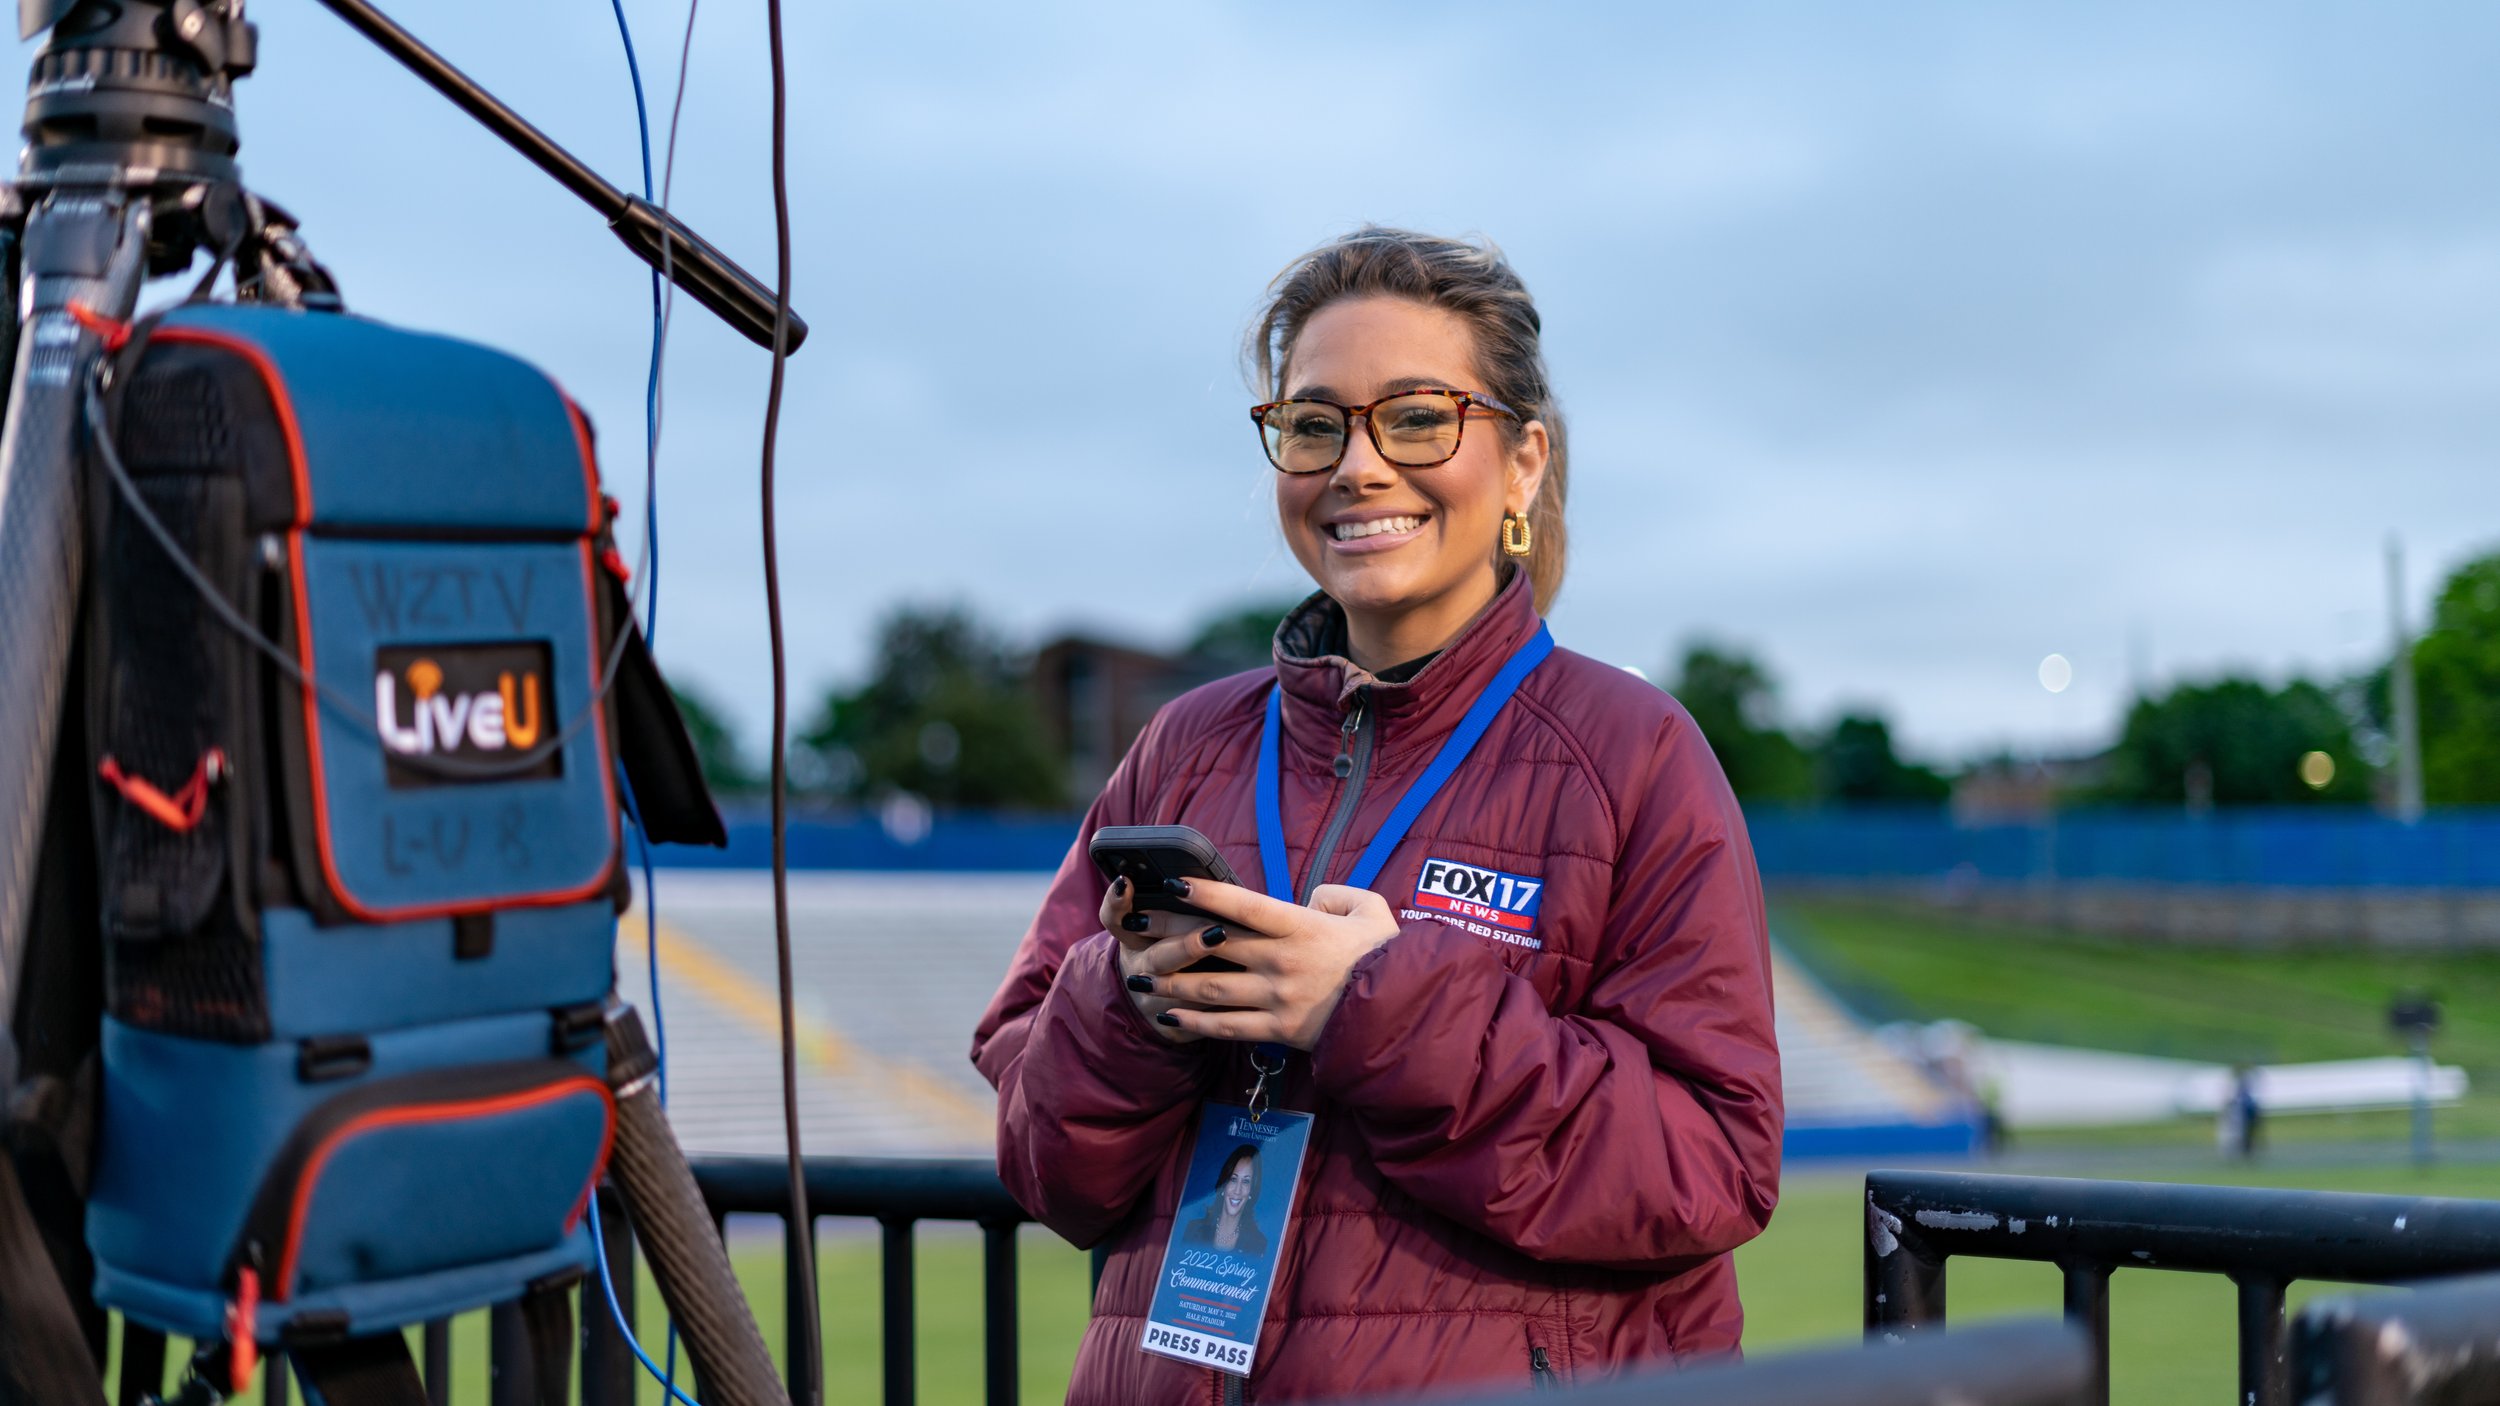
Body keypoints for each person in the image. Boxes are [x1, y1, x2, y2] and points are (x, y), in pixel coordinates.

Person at [972, 226, 1782, 1403]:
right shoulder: (1183, 744)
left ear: (1521, 462)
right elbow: (1048, 1163)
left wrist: (1374, 1008)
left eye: (1415, 416)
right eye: (1314, 424)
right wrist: (1131, 998)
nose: (1356, 464)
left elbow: (1714, 1162)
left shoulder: (1634, 753)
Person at [1181, 1145, 1269, 1257]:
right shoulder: (1193, 1229)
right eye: (1233, 1179)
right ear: (1224, 1185)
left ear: (1251, 1191)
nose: (1238, 1190)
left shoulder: (1258, 1243)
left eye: (1246, 1182)